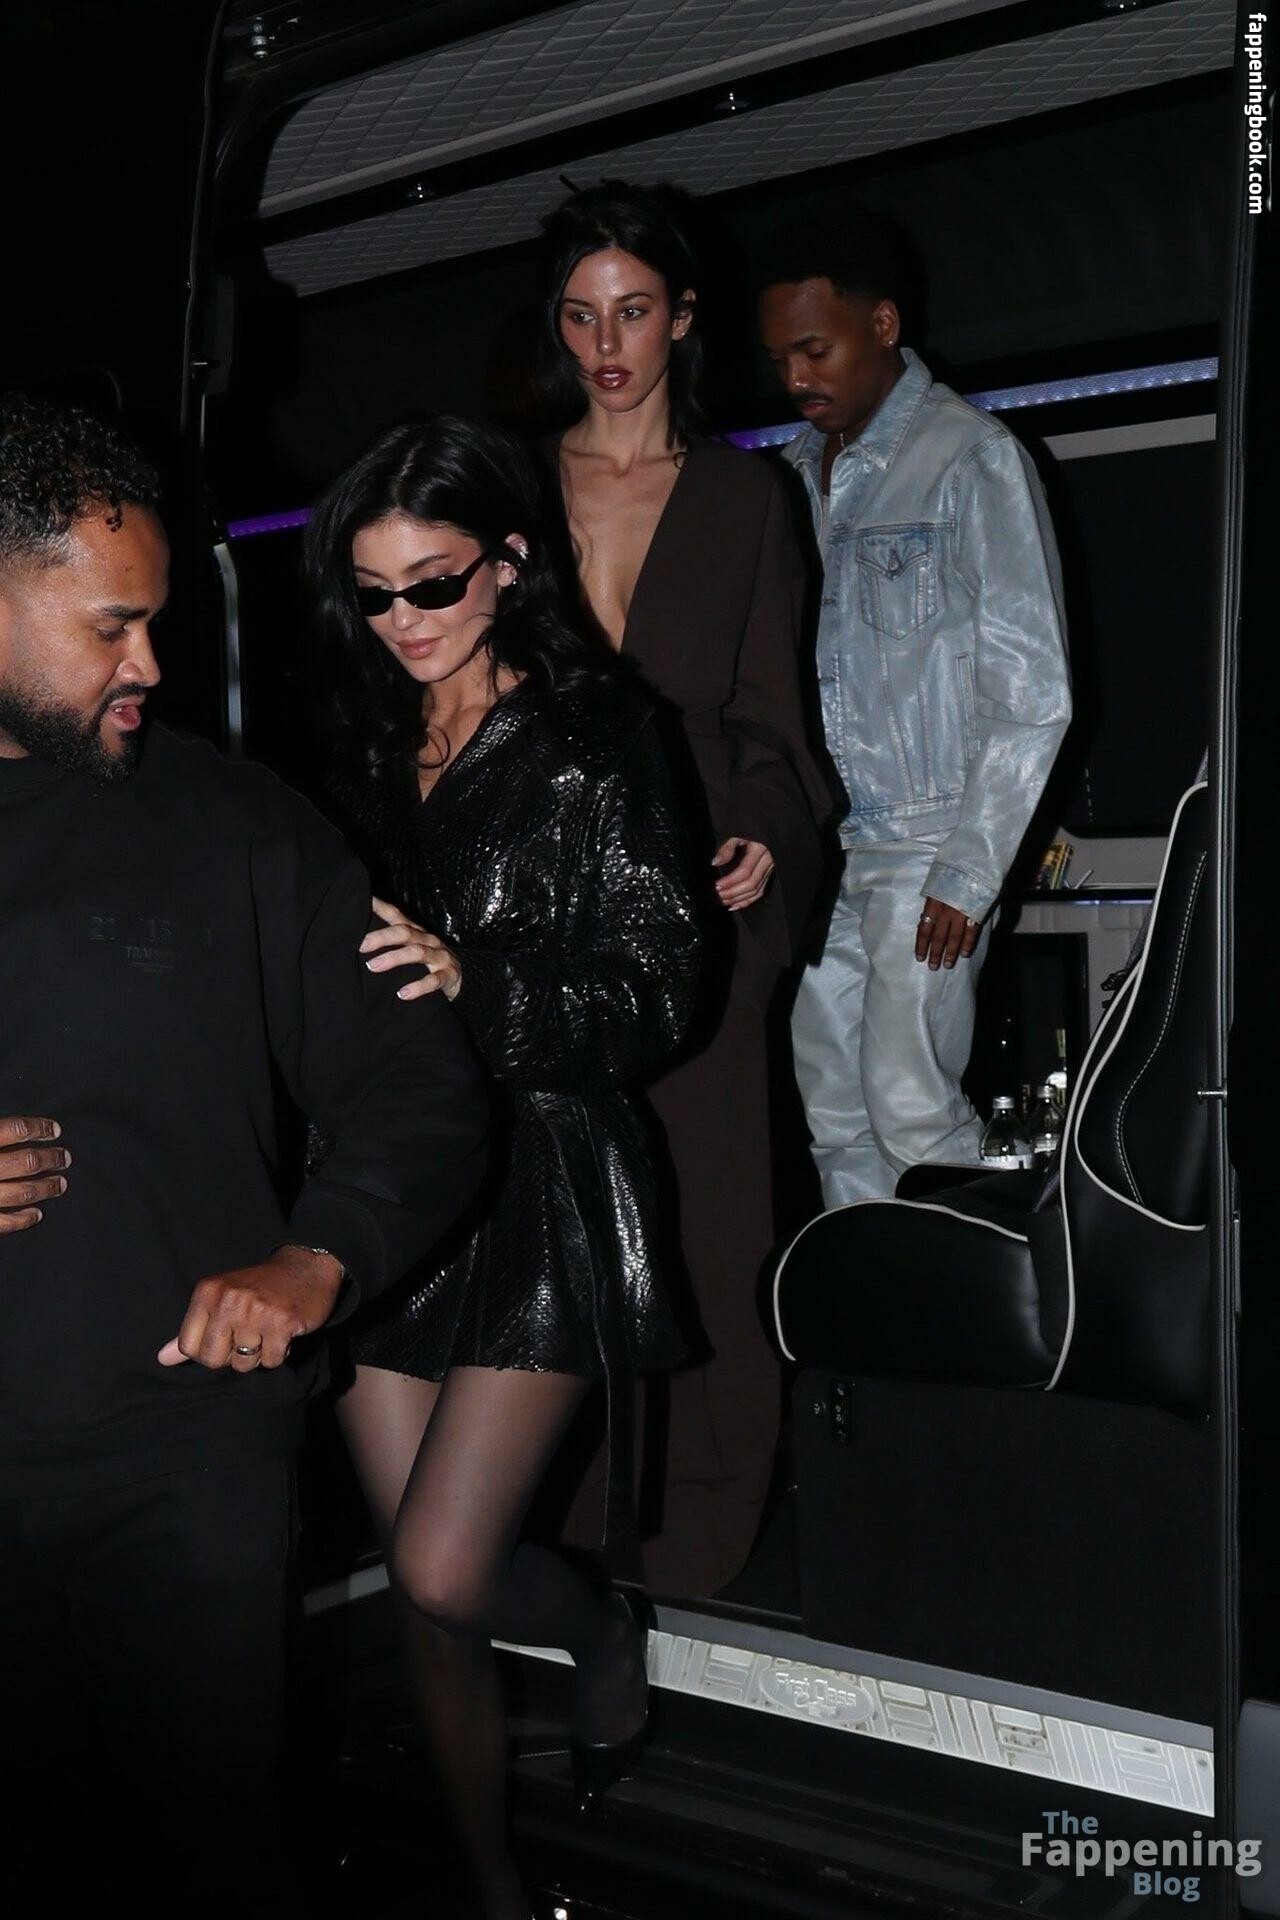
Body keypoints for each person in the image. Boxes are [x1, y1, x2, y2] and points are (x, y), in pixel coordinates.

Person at [0, 394, 488, 1913]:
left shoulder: (233, 826)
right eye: (111, 627)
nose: (150, 664)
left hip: (180, 1470)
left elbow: (421, 1085)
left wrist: (319, 1253)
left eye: (156, 623)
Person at [303, 414, 699, 1920]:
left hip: (543, 1182)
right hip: (387, 1180)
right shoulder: (356, 746)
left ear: (510, 563)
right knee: (426, 1604)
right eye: (376, 593)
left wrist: (479, 982)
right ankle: (488, 1890)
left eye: (436, 583)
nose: (403, 619)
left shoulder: (600, 741)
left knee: (444, 1568)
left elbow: (660, 994)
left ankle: (602, 1638)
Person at [538, 178, 831, 1598]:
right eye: (581, 316)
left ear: (683, 319)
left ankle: (706, 1533)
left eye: (633, 312)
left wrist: (766, 833)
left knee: (709, 1217)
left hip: (701, 914)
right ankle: (558, 1510)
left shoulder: (744, 497)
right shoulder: (509, 490)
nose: (607, 345)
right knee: (559, 1219)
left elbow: (778, 728)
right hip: (545, 906)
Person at [757, 214, 1072, 1206]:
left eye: (815, 349)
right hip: (824, 856)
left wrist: (968, 870)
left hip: (927, 845)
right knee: (833, 1110)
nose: (796, 376)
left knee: (911, 1106)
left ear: (882, 324)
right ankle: (870, 1293)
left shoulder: (969, 456)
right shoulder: (788, 477)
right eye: (780, 358)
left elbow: (1032, 692)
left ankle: (983, 1294)